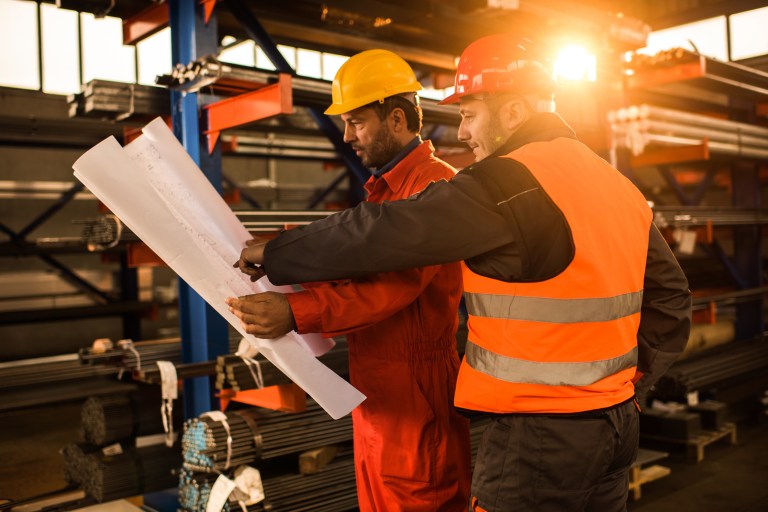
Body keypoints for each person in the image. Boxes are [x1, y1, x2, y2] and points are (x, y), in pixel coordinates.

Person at [231, 34, 692, 511]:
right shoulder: (614, 182)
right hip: (614, 425)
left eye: (470, 114)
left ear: (512, 112)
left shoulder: (506, 182)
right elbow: (673, 298)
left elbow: (385, 233)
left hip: (538, 434)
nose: (463, 132)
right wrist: (625, 386)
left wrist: (280, 253)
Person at [227, 49, 471, 511]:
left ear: (396, 119)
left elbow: (389, 289)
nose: (346, 136)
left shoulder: (434, 189)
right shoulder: (387, 190)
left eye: (357, 122)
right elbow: (351, 267)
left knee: (422, 500)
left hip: (416, 395)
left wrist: (294, 312)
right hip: (379, 393)